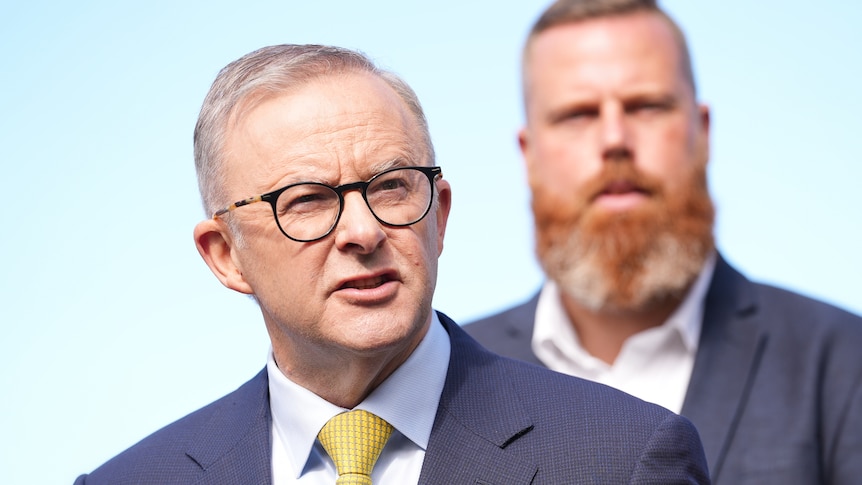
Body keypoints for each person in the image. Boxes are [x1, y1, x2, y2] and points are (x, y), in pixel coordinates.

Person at [73, 44, 709, 484]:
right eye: (307, 201)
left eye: (392, 187)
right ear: (225, 255)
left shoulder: (624, 459)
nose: (363, 230)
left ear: (440, 216)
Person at [464, 1, 862, 484]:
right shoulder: (453, 380)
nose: (615, 139)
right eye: (578, 114)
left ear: (703, 132)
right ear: (528, 155)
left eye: (647, 106)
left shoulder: (841, 362)